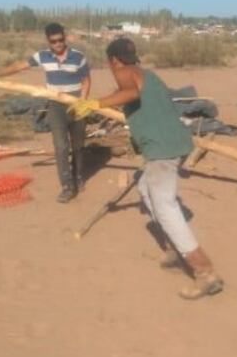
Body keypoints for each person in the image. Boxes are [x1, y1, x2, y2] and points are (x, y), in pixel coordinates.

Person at [69, 37, 224, 300]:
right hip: (171, 143)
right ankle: (176, 250)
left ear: (113, 60)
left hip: (163, 148)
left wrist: (95, 104)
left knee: (164, 206)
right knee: (144, 188)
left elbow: (130, 93)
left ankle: (205, 272)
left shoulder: (124, 71)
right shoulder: (145, 73)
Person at [0, 22, 90, 203]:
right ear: (48, 41)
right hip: (55, 106)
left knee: (78, 146)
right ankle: (67, 186)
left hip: (76, 105)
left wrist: (82, 102)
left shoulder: (78, 57)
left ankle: (78, 176)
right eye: (54, 41)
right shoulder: (42, 56)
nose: (58, 44)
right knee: (61, 146)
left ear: (65, 37)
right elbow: (18, 66)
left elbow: (86, 80)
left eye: (61, 40)